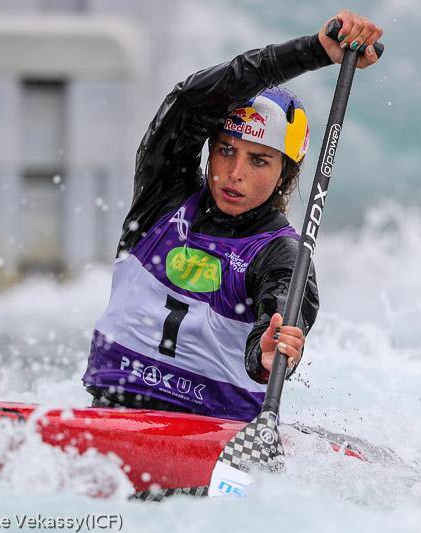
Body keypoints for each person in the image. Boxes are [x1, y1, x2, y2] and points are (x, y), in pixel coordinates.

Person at [82, 10, 383, 422]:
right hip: (111, 414)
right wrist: (314, 51)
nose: (234, 173)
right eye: (225, 150)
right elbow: (190, 102)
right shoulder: (161, 201)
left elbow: (277, 319)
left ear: (285, 175)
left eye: (258, 161)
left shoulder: (282, 255)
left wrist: (269, 351)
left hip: (209, 438)